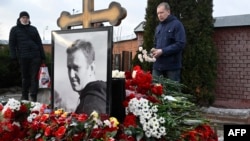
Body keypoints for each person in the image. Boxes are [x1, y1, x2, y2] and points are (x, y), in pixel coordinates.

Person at [9, 11, 45, 102]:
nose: (25, 19)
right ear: (20, 18)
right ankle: (24, 97)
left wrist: (42, 56)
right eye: (23, 17)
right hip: (23, 57)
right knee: (25, 77)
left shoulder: (33, 29)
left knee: (34, 78)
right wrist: (13, 56)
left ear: (29, 19)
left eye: (27, 17)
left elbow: (39, 43)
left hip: (35, 56)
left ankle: (34, 97)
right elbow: (12, 44)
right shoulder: (14, 29)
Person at [66, 39, 107, 115]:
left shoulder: (90, 105)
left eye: (76, 68)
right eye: (69, 68)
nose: (71, 75)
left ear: (91, 68)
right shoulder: (98, 94)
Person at [151, 2, 186, 82]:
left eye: (161, 12)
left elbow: (180, 44)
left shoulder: (177, 25)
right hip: (157, 66)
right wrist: (153, 51)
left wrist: (163, 51)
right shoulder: (158, 27)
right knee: (154, 91)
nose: (159, 15)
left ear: (168, 11)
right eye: (158, 13)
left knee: (173, 93)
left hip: (172, 67)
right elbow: (156, 44)